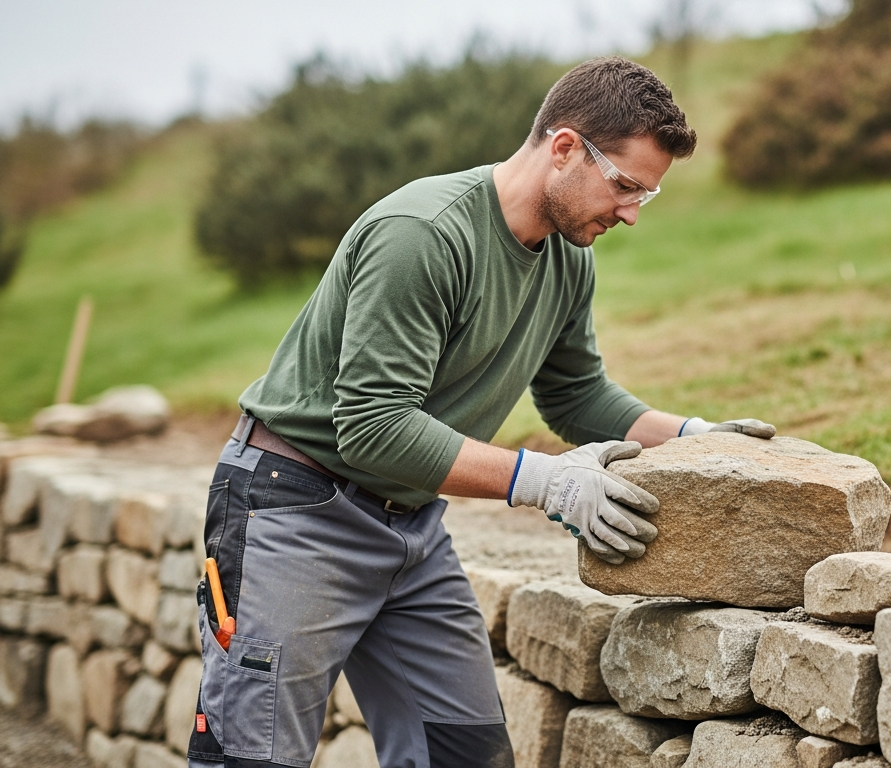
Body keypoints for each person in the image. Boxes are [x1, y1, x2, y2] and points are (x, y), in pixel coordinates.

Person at [187, 56, 773, 768]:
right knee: (252, 757)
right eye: (624, 186)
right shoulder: (424, 234)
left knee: (465, 754)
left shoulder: (568, 259)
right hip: (294, 510)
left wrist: (693, 440)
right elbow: (373, 426)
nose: (629, 213)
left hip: (408, 527)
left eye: (643, 196)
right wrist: (547, 482)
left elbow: (575, 394)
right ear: (563, 148)